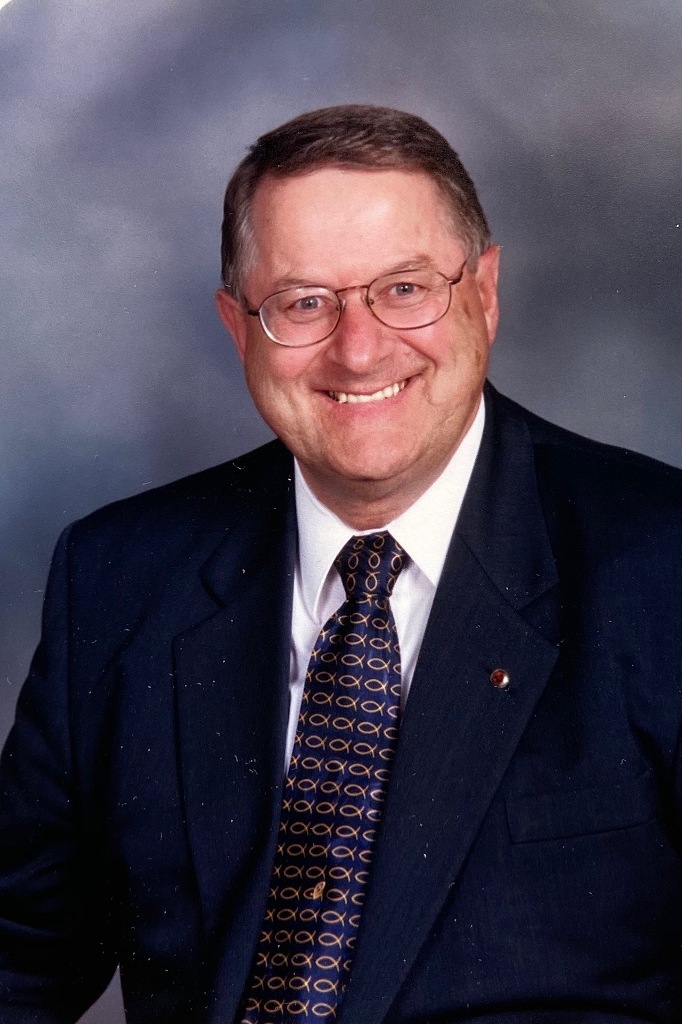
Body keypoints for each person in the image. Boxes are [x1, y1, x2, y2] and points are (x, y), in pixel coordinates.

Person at [1, 104, 681, 1024]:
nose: (359, 350)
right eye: (304, 303)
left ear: (484, 293)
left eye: (404, 288)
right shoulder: (119, 578)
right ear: (238, 328)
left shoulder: (660, 564)